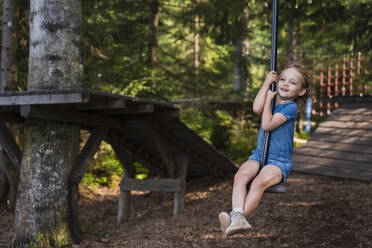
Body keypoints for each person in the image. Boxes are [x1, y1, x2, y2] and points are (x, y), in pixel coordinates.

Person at [218, 63, 310, 236]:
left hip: (278, 161)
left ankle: (236, 219)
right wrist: (266, 84)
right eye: (282, 79)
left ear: (301, 91)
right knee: (240, 176)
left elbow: (267, 124)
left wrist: (269, 100)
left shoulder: (290, 107)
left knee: (259, 181)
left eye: (292, 83)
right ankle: (237, 217)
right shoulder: (272, 98)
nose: (285, 84)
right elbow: (256, 108)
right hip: (259, 155)